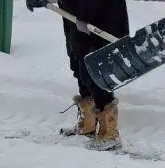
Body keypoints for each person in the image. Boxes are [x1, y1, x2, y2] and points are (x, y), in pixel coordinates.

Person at [27, 0, 129, 150]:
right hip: (76, 15)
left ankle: (110, 132)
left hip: (99, 17)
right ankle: (88, 123)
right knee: (78, 63)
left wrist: (82, 13)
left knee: (96, 70)